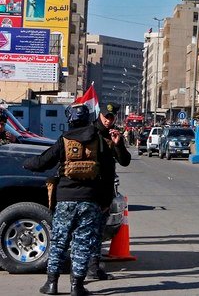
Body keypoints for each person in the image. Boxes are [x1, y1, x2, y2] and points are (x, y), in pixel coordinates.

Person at [23, 102, 117, 296]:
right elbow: (108, 173)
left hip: (65, 199)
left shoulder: (64, 140)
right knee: (82, 244)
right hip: (90, 200)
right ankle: (77, 286)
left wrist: (26, 163)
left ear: (70, 119)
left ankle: (51, 284)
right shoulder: (98, 140)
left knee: (59, 241)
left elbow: (42, 162)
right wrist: (106, 201)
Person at [87, 102, 131, 281]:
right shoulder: (89, 132)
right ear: (99, 115)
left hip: (105, 192)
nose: (108, 120)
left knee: (97, 233)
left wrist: (118, 144)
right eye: (106, 116)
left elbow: (125, 161)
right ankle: (88, 269)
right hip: (89, 191)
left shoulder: (113, 135)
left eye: (111, 118)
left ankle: (93, 268)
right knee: (89, 232)